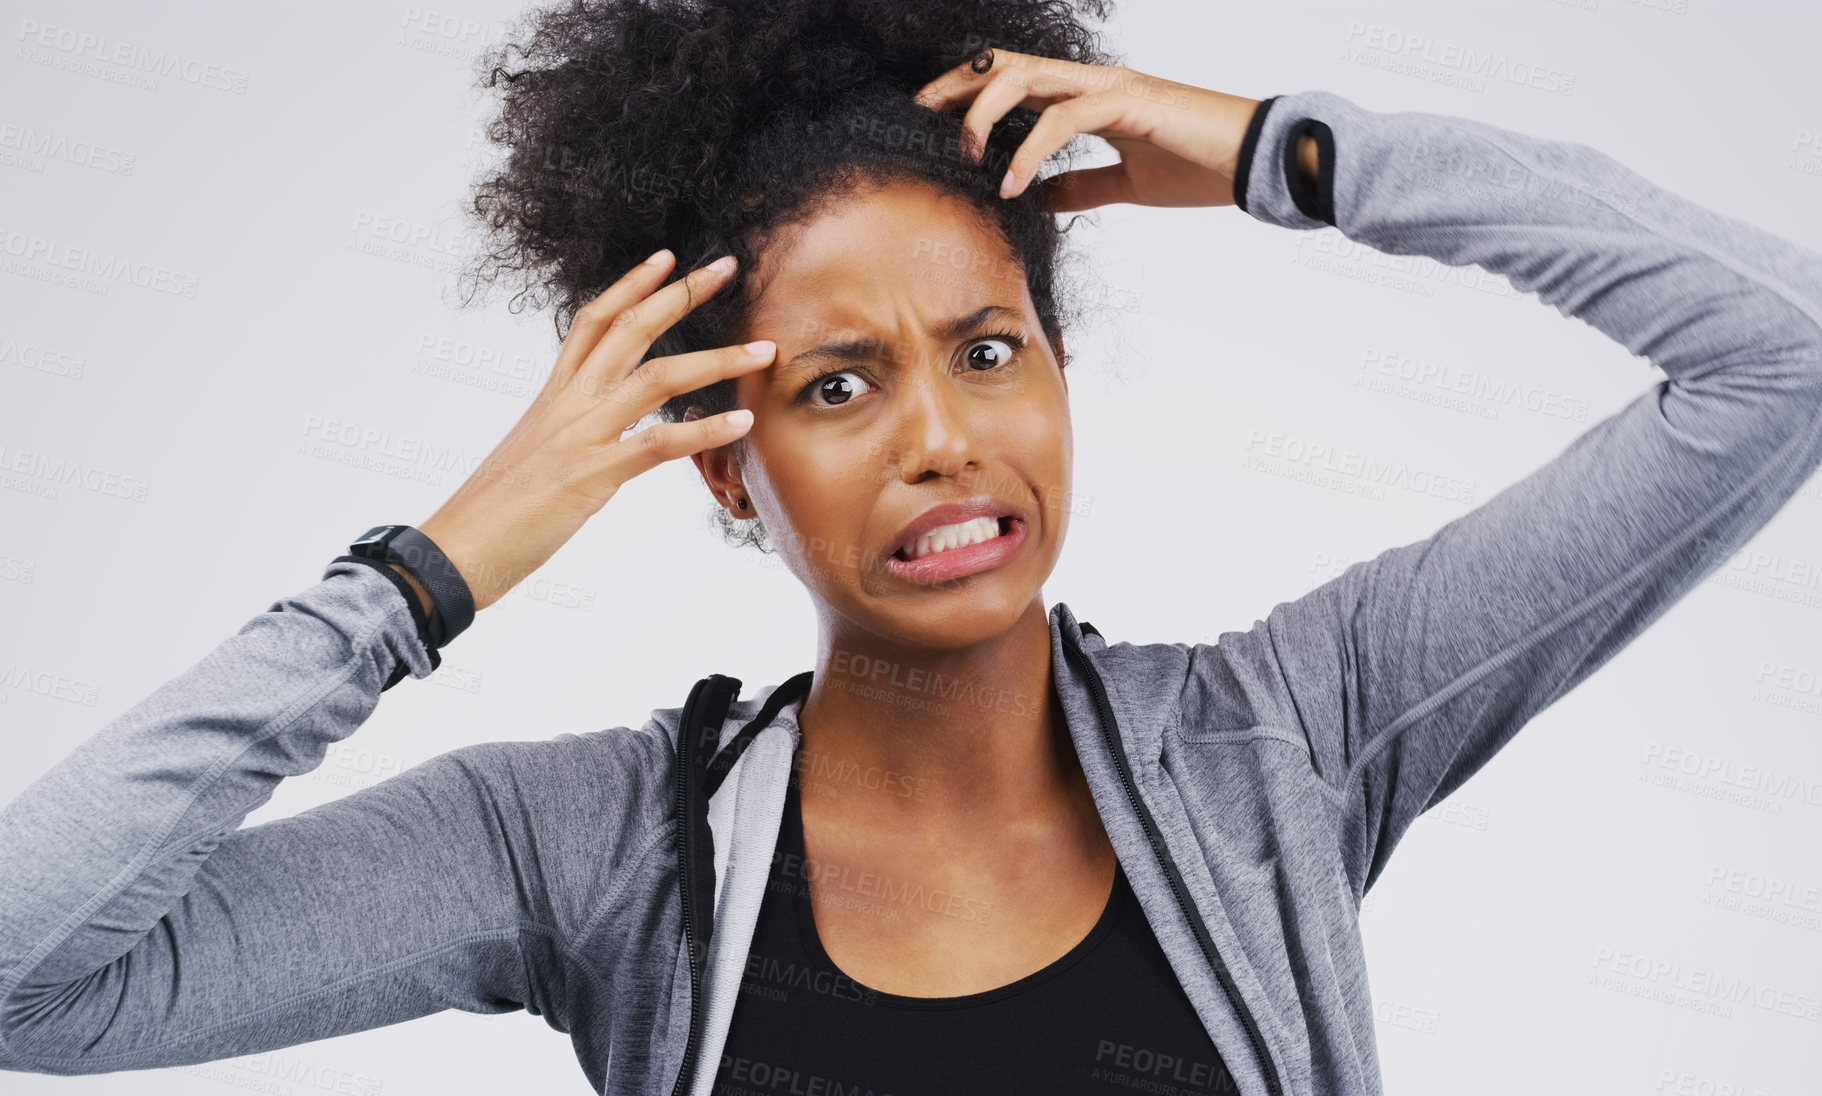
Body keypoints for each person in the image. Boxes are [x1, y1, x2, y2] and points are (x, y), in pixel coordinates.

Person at [3, 1, 1820, 1094]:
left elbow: (1781, 353)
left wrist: (1286, 150)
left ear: (1054, 371)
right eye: (838, 383)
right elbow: (32, 980)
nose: (943, 435)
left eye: (983, 349)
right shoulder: (591, 848)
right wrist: (433, 569)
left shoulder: (1289, 740)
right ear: (724, 465)